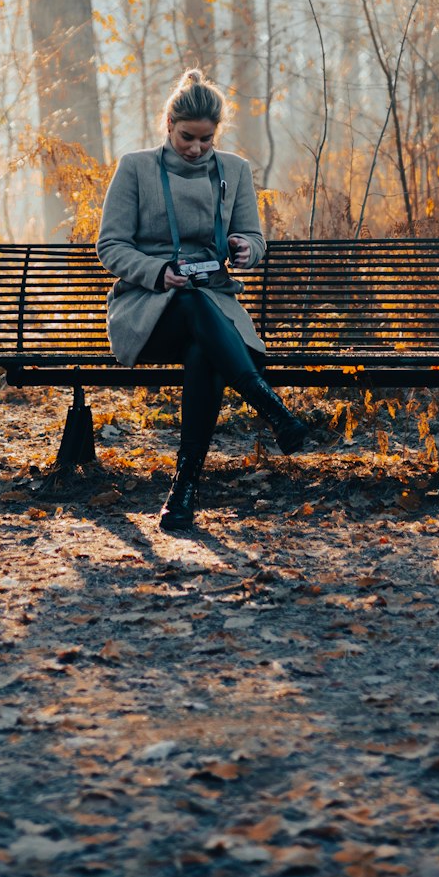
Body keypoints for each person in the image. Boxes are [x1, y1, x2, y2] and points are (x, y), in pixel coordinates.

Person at [96, 68, 312, 533]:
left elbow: (255, 239)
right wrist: (158, 272)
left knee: (203, 351)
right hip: (148, 309)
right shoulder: (135, 167)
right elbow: (110, 246)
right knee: (192, 306)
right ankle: (266, 402)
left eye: (206, 140)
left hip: (213, 310)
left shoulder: (233, 170)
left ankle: (184, 490)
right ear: (167, 124)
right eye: (186, 137)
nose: (195, 148)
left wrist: (243, 249)